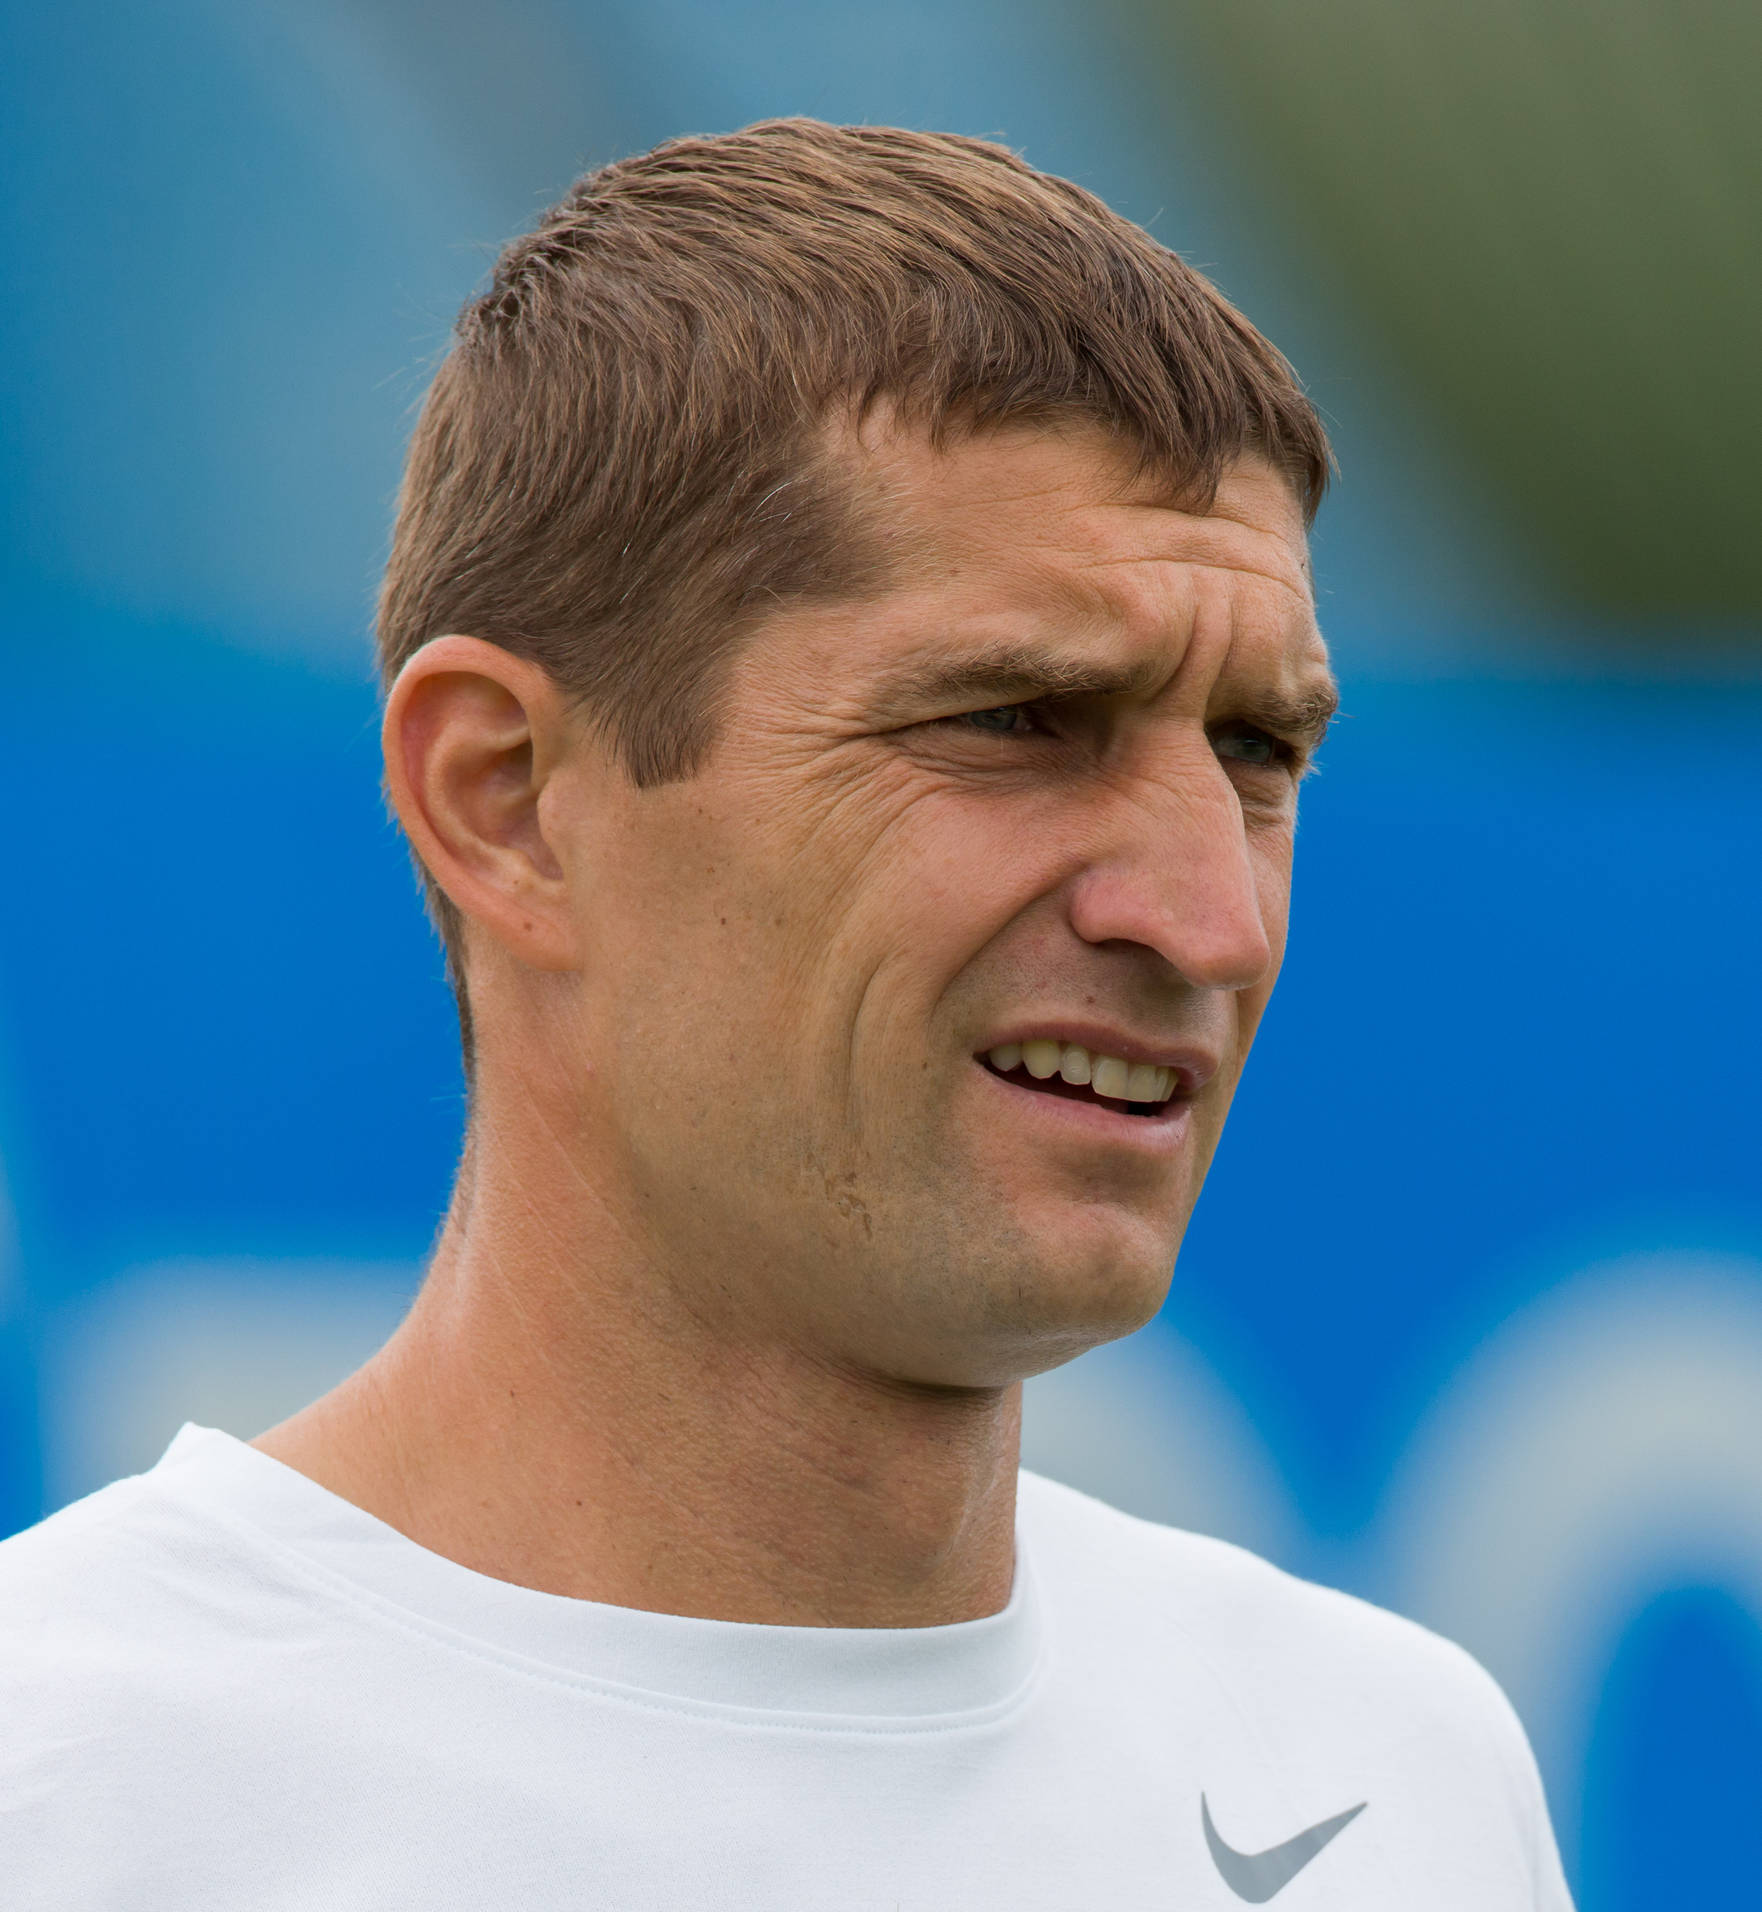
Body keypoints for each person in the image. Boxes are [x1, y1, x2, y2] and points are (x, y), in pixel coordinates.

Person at [0, 119, 1572, 1908]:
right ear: (505, 799)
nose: (1208, 919)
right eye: (1013, 722)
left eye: (1256, 752)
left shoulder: (1391, 1770)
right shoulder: (65, 1791)